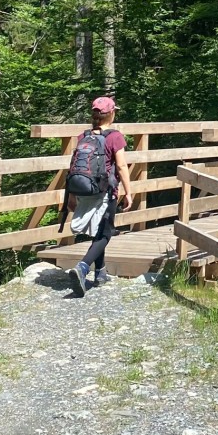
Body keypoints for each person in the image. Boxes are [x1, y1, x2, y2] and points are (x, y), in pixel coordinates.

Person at [66, 96, 130, 297]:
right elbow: (120, 166)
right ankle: (83, 267)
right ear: (111, 113)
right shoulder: (114, 136)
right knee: (105, 233)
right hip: (105, 191)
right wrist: (129, 191)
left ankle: (100, 273)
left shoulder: (83, 136)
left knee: (98, 231)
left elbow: (73, 166)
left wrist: (69, 195)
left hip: (83, 188)